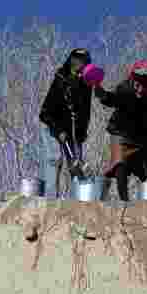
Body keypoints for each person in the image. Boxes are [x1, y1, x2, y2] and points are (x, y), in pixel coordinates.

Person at [95, 60, 147, 201]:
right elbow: (113, 99)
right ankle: (124, 202)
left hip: (143, 137)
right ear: (133, 81)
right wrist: (102, 95)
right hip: (121, 133)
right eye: (137, 85)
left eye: (144, 87)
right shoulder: (124, 88)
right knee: (120, 164)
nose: (140, 90)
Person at [39, 48, 94, 199]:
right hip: (52, 123)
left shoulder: (87, 86)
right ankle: (50, 200)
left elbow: (85, 113)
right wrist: (58, 131)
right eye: (76, 59)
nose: (79, 64)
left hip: (72, 129)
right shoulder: (61, 79)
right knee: (55, 159)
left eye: (83, 61)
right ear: (71, 61)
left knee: (76, 164)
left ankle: (79, 200)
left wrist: (80, 135)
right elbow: (45, 112)